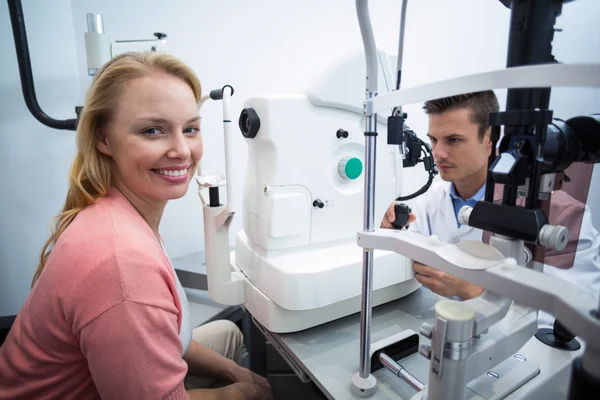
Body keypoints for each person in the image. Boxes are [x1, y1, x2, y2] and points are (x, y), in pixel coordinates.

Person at [0, 52, 272, 400]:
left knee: (228, 335)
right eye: (153, 130)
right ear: (104, 139)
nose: (181, 150)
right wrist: (242, 394)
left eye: (190, 129)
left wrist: (232, 371)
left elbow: (164, 337)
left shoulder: (118, 210)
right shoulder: (120, 261)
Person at [381, 90, 600, 324]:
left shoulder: (562, 215)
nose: (438, 153)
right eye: (434, 139)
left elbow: (581, 313)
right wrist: (393, 230)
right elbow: (410, 262)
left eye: (454, 140)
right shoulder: (431, 199)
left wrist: (477, 291)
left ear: (490, 139)